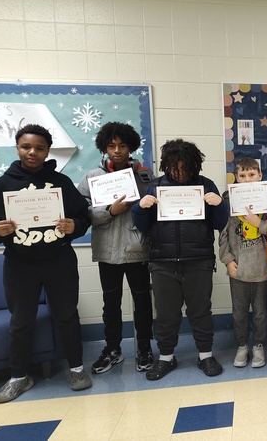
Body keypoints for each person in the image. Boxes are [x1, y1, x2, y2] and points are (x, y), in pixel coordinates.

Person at [0, 124, 93, 403]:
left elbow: (84, 217)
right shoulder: (2, 184)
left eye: (39, 148)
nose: (32, 152)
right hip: (20, 263)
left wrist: (74, 226)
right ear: (17, 148)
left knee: (67, 315)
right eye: (26, 147)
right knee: (21, 321)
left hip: (59, 261)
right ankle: (19, 377)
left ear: (47, 151)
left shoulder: (61, 182)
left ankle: (77, 369)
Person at [132, 139, 229, 380]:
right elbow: (142, 226)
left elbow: (219, 223)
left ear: (195, 165)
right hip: (162, 262)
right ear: (166, 166)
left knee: (201, 311)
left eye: (185, 166)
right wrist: (140, 208)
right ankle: (166, 358)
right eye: (174, 167)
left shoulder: (207, 185)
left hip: (199, 260)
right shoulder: (155, 188)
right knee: (166, 314)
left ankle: (205, 355)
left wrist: (220, 205)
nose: (180, 171)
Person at [78, 122, 156, 375]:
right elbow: (82, 212)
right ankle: (113, 349)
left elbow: (156, 209)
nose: (117, 150)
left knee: (142, 301)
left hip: (137, 249)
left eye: (122, 145)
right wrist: (111, 211)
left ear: (130, 147)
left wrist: (144, 205)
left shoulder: (145, 176)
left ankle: (144, 347)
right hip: (107, 251)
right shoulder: (92, 177)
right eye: (111, 145)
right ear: (104, 147)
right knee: (110, 303)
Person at [218, 157, 267, 368]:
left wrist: (259, 223)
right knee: (239, 312)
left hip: (262, 268)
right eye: (242, 176)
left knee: (260, 312)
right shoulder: (229, 200)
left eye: (252, 175)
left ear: (260, 176)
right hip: (238, 269)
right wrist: (227, 260)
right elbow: (222, 234)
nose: (247, 179)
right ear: (236, 178)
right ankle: (242, 345)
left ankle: (259, 345)